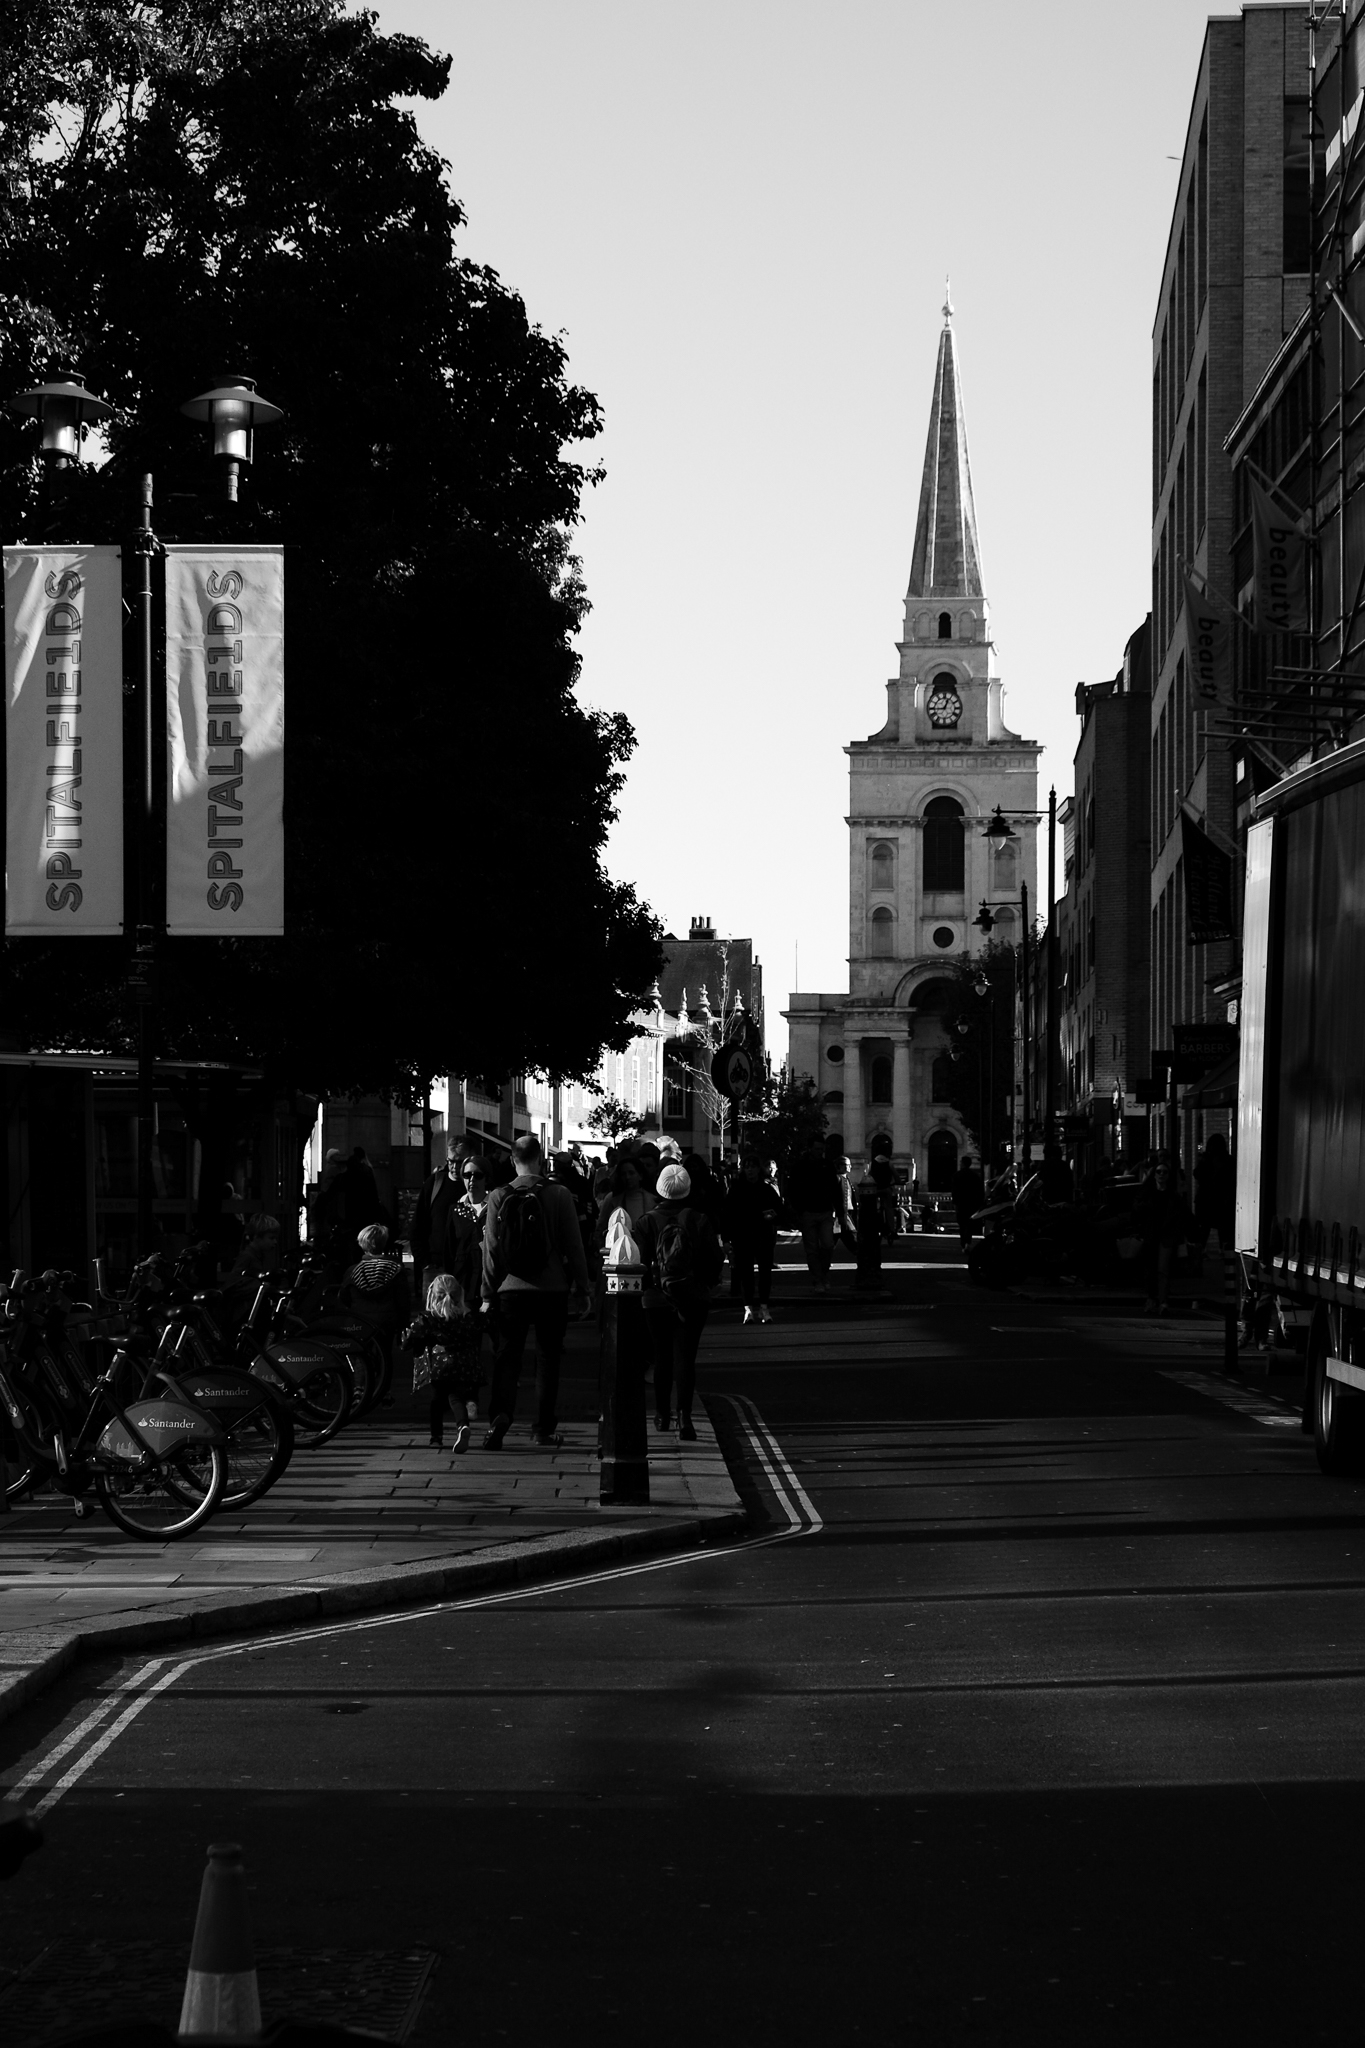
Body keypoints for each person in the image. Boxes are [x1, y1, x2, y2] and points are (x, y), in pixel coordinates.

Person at [481, 1133, 592, 1449]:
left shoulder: (499, 1196)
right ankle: (542, 1429)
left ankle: (499, 1417)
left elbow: (490, 1251)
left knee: (507, 1357)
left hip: (509, 1290)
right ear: (542, 1160)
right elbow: (575, 1245)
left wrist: (487, 1293)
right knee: (547, 1359)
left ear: (513, 1161)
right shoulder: (559, 1194)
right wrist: (582, 1288)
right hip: (552, 1289)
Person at [635, 1163, 723, 1439]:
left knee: (662, 1357)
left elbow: (638, 1263)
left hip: (655, 1299)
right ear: (687, 1190)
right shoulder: (699, 1220)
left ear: (660, 1189)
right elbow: (714, 1260)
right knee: (686, 1357)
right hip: (692, 1297)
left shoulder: (646, 1222)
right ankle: (685, 1416)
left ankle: (662, 1415)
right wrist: (704, 1284)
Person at [399, 1274, 486, 1451]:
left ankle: (437, 1437)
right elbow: (482, 1327)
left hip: (442, 1367)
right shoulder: (468, 1316)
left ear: (433, 1295)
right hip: (468, 1366)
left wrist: (405, 1341)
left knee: (439, 1401)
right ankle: (469, 1407)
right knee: (457, 1396)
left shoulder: (429, 1318)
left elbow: (411, 1338)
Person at [341, 1222, 410, 1403]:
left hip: (360, 1320)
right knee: (384, 1354)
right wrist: (403, 1323)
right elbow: (402, 1300)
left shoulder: (352, 1271)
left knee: (361, 1354)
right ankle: (383, 1390)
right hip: (386, 1321)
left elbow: (344, 1297)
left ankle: (358, 1388)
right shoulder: (395, 1270)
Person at [411, 1132, 478, 1295]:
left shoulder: (477, 1186)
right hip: (435, 1267)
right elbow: (417, 1224)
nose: (454, 1167)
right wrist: (425, 1262)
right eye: (450, 1161)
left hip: (467, 1268)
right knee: (434, 1318)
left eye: (459, 1162)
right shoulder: (434, 1183)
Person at [724, 1150, 782, 1324]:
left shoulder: (766, 1189)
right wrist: (726, 1240)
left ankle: (764, 1308)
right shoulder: (736, 1190)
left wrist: (772, 1215)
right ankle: (748, 1309)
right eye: (746, 1167)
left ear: (759, 1169)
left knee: (765, 1273)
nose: (749, 1170)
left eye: (753, 1167)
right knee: (745, 1274)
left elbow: (780, 1210)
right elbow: (727, 1215)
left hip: (763, 1235)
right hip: (742, 1237)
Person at [1133, 1153, 1195, 1314]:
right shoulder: (1147, 1194)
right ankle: (1152, 1298)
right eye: (1158, 1172)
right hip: (1151, 1235)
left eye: (1164, 1172)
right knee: (1150, 1269)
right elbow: (1137, 1212)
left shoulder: (1173, 1196)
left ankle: (1163, 1302)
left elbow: (1185, 1216)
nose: (1161, 1175)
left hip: (1166, 1237)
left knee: (1163, 1269)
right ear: (1154, 1175)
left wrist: (1192, 1235)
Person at [789, 1134, 841, 1292]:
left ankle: (823, 1274)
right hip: (808, 1212)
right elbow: (793, 1190)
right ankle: (818, 1279)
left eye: (822, 1149)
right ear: (810, 1149)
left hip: (825, 1211)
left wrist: (840, 1212)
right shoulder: (801, 1166)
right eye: (817, 1149)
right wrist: (798, 1211)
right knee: (811, 1250)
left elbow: (835, 1189)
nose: (820, 1152)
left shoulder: (828, 1165)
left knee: (828, 1245)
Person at [1193, 1133, 1235, 1250]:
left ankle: (1200, 1254)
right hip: (1221, 1200)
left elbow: (1197, 1174)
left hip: (1206, 1200)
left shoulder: (1207, 1160)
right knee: (1223, 1229)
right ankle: (1225, 1254)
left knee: (1204, 1230)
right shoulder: (1228, 1160)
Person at [952, 1155, 987, 1250]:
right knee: (969, 1224)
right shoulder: (975, 1176)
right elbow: (980, 1191)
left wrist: (955, 1203)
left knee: (962, 1224)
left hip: (961, 1203)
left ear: (962, 1163)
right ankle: (967, 1241)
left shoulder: (957, 1175)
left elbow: (955, 1191)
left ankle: (964, 1243)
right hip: (972, 1204)